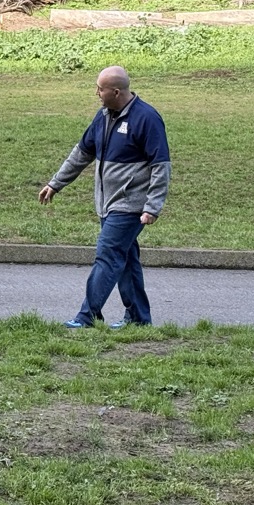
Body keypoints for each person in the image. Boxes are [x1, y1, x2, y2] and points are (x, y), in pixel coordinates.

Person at [38, 65, 171, 328]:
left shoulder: (147, 118)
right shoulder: (103, 117)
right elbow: (81, 154)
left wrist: (153, 206)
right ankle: (138, 319)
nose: (97, 93)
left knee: (107, 256)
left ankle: (87, 316)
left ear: (116, 91)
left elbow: (161, 166)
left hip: (130, 206)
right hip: (107, 204)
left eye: (100, 89)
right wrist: (56, 183)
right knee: (126, 261)